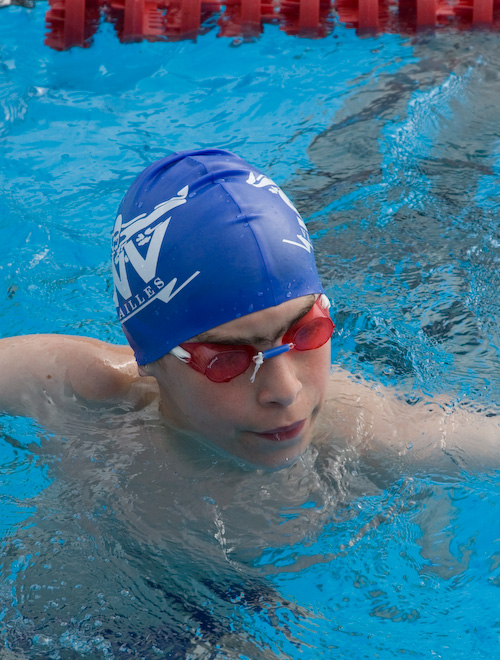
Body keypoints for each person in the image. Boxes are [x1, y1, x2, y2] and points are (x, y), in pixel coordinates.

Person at [0, 148, 497, 473]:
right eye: (228, 360)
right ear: (147, 353)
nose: (285, 391)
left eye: (307, 333)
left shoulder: (373, 434)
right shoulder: (81, 393)